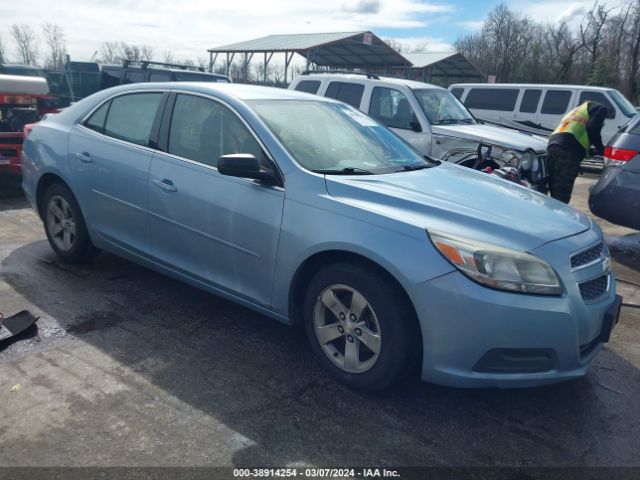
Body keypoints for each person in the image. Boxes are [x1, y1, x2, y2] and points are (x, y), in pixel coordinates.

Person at [547, 101, 608, 203]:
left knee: (554, 185)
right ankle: (559, 215)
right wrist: (602, 149)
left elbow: (578, 132)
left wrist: (589, 150)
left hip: (553, 144)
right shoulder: (601, 108)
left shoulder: (579, 109)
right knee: (563, 190)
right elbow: (593, 128)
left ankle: (550, 213)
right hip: (568, 150)